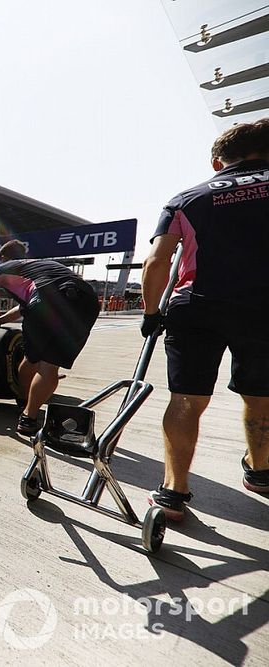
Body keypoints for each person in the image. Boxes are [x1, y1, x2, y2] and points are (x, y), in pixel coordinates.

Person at [141, 118, 269, 520]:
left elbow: (157, 261)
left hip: (195, 305)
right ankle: (261, 471)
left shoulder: (187, 198)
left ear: (218, 163)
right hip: (262, 307)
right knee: (261, 394)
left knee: (186, 398)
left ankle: (173, 492)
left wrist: (150, 313)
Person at [0, 240, 99, 435]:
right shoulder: (46, 267)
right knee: (51, 365)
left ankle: (27, 412)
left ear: (3, 258)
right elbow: (25, 307)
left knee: (33, 362)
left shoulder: (6, 267)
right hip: (86, 303)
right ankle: (29, 406)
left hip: (47, 300)